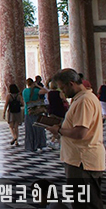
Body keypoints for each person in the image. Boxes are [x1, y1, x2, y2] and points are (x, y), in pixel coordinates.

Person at [48, 69, 105, 209]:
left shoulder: (84, 101)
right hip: (80, 160)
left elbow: (80, 133)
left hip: (82, 162)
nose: (62, 92)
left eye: (63, 88)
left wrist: (58, 130)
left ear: (71, 84)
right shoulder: (82, 98)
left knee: (85, 204)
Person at [23, 77, 48, 152]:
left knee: (29, 130)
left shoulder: (24, 91)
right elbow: (46, 91)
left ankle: (30, 146)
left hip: (27, 112)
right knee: (38, 128)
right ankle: (40, 144)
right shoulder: (36, 90)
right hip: (36, 111)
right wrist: (37, 86)